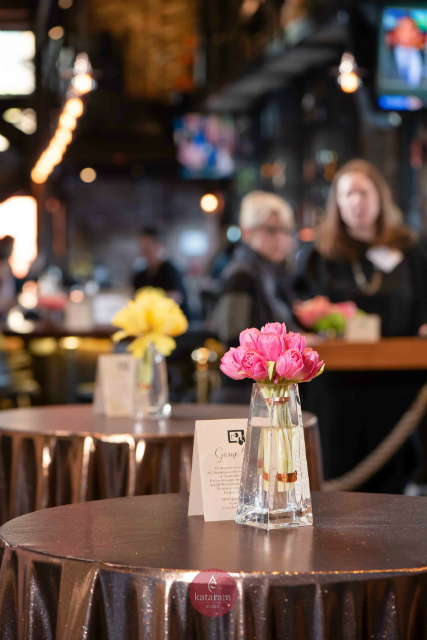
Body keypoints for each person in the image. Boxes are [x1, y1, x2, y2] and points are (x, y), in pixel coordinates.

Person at [296, 159, 427, 494]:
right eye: (348, 194)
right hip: (339, 388)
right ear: (337, 203)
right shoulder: (321, 255)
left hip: (399, 385)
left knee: (393, 486)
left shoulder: (408, 249)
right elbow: (298, 307)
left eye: (363, 192)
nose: (357, 201)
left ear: (380, 197)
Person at [216, 190, 299, 350]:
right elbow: (233, 339)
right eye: (271, 230)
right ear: (247, 232)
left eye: (286, 231)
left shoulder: (274, 272)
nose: (281, 239)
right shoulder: (240, 275)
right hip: (256, 374)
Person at [132, 227, 190, 318]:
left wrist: (147, 302)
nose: (145, 253)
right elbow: (133, 296)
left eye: (149, 249)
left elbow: (175, 298)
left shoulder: (170, 271)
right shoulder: (140, 275)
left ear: (159, 246)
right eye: (143, 249)